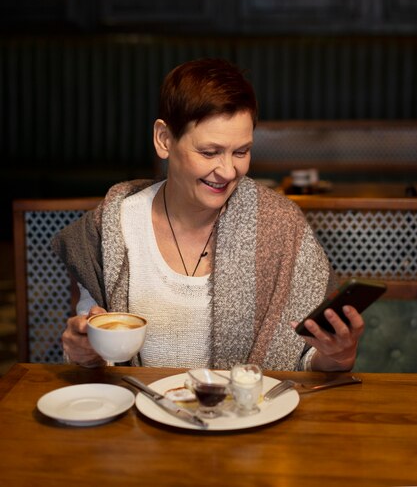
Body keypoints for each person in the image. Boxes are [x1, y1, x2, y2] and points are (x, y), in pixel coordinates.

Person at [52, 58, 364, 370]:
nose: (228, 171)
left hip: (252, 416)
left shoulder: (280, 225)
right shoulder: (114, 227)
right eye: (209, 152)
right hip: (141, 414)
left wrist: (337, 355)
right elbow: (92, 355)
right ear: (164, 140)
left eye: (241, 152)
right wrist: (82, 353)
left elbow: (309, 361)